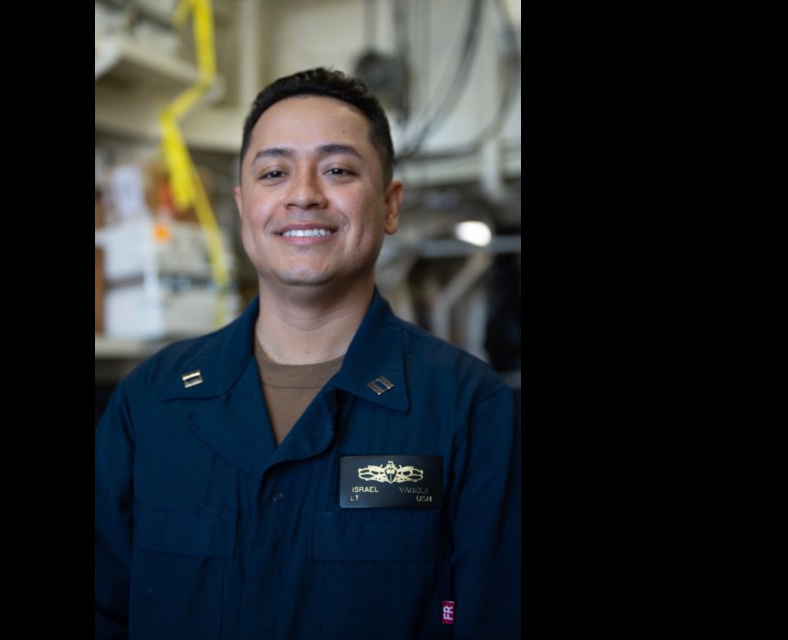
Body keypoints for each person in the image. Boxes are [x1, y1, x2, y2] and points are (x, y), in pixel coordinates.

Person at [95, 67, 520, 639]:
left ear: (390, 206)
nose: (302, 195)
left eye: (338, 170)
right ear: (246, 207)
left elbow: (490, 619)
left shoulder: (473, 410)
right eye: (274, 172)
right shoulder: (149, 404)